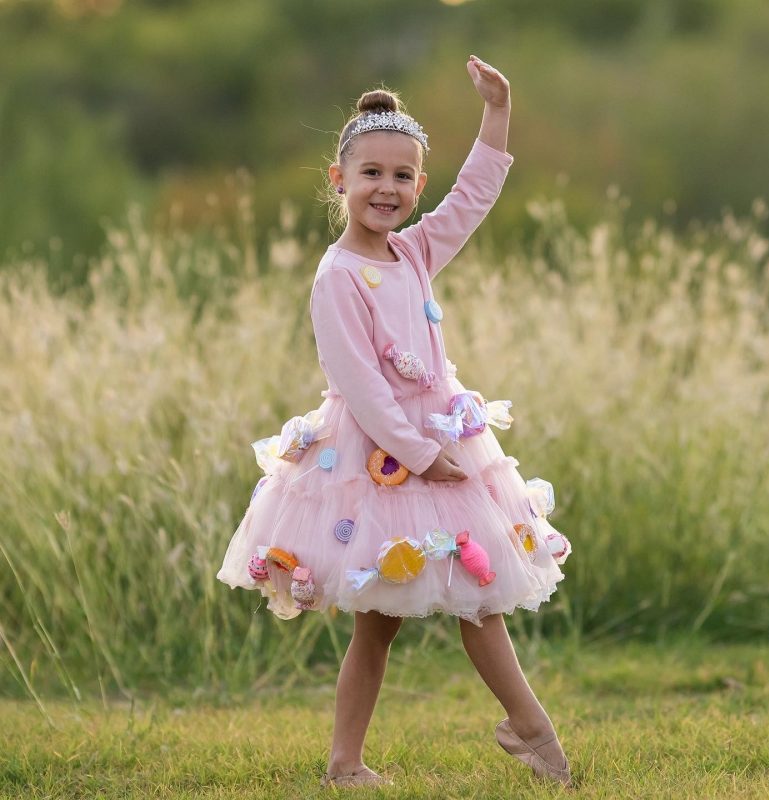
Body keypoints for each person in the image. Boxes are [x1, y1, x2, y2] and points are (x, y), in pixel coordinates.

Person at [217, 54, 573, 789]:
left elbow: (473, 198)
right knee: (378, 621)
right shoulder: (337, 275)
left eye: (404, 176)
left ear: (418, 186)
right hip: (380, 456)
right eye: (372, 173)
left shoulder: (414, 252)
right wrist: (415, 451)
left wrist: (497, 112)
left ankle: (526, 728)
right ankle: (351, 762)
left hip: (440, 441)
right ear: (338, 180)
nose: (389, 188)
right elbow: (357, 382)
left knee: (477, 591)